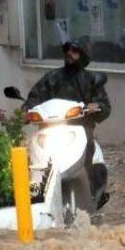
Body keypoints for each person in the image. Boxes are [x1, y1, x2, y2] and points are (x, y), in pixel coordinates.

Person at [23, 40, 111, 197]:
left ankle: (93, 193)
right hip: (49, 130)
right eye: (68, 50)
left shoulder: (92, 80)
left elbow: (104, 106)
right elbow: (34, 97)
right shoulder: (51, 78)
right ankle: (32, 193)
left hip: (81, 130)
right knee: (29, 153)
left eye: (75, 51)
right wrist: (24, 111)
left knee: (90, 150)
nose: (70, 53)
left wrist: (95, 106)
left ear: (83, 56)